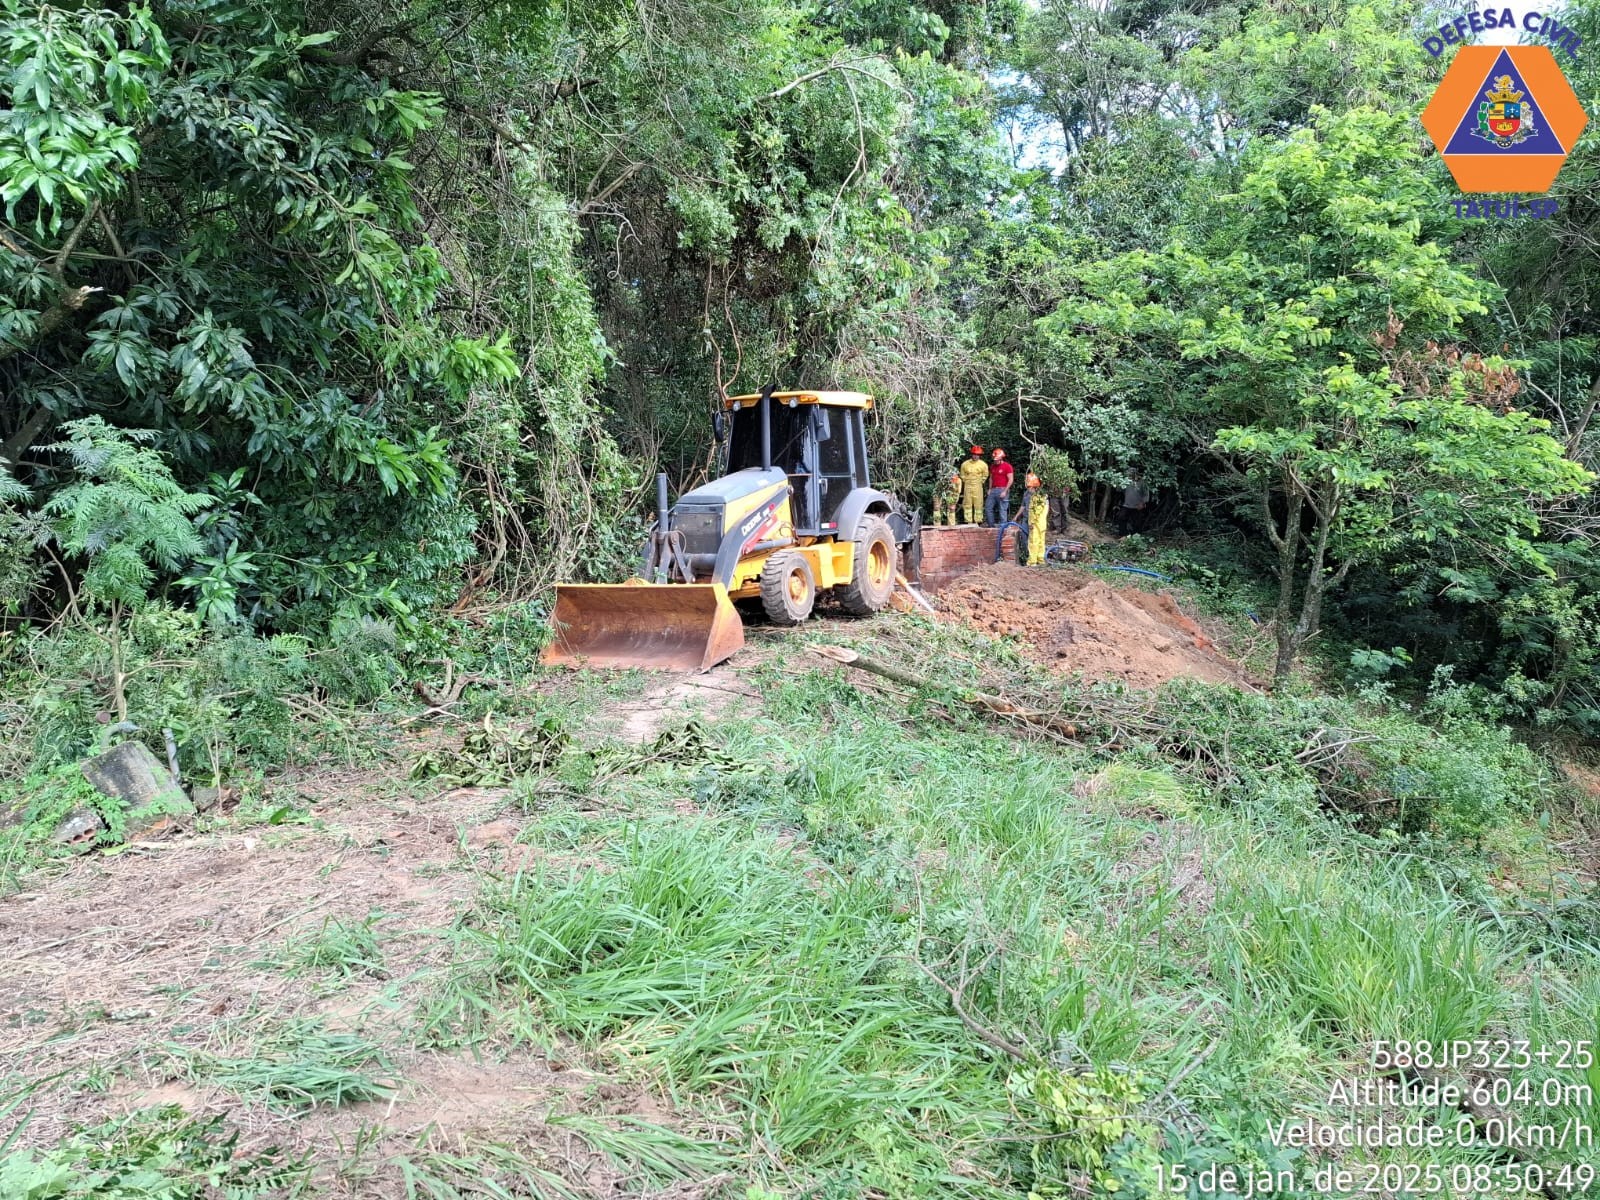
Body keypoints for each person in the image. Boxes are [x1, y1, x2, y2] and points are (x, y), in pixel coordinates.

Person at [957, 445, 988, 525]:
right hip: (968, 486)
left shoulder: (983, 465)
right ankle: (968, 521)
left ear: (980, 455)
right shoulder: (965, 464)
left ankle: (978, 521)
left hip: (978, 487)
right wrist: (966, 481)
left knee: (978, 504)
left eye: (977, 455)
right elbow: (962, 475)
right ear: (971, 454)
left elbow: (985, 475)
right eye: (974, 454)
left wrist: (980, 481)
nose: (976, 456)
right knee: (967, 504)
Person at [984, 447, 1014, 528]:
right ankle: (991, 526)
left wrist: (1005, 491)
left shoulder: (1007, 466)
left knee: (1002, 510)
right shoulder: (992, 466)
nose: (995, 461)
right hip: (993, 490)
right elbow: (991, 478)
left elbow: (1010, 479)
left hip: (1002, 489)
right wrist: (989, 489)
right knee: (988, 507)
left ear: (1001, 458)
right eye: (994, 459)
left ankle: (1003, 528)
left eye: (997, 459)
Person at [1115, 469, 1150, 535]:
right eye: (1128, 474)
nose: (1129, 475)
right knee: (1121, 518)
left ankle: (1136, 536)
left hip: (1137, 506)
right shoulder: (1126, 481)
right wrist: (1118, 482)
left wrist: (1142, 503)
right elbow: (1119, 490)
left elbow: (1146, 494)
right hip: (1127, 505)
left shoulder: (1142, 482)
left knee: (1137, 522)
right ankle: (1123, 534)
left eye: (1131, 474)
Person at [1024, 472, 1048, 565]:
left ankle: (1032, 562)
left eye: (1029, 487)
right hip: (1042, 524)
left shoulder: (1036, 498)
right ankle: (1040, 560)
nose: (1028, 489)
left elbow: (1035, 512)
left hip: (1036, 524)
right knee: (1041, 542)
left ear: (1034, 487)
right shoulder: (1043, 496)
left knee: (1033, 542)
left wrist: (1031, 523)